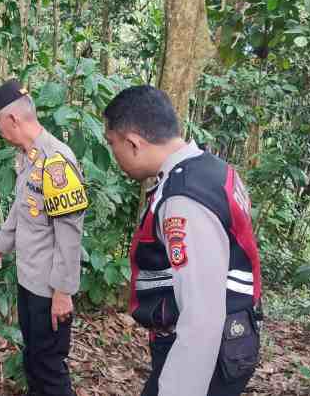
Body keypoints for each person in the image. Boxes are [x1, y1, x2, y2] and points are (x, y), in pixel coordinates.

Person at [102, 85, 262, 396]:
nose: (114, 154)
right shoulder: (211, 168)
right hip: (231, 337)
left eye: (113, 144)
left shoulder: (184, 200)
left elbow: (201, 316)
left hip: (211, 349)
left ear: (133, 142)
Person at [0, 79, 87, 396]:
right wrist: (0, 246)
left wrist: (63, 292)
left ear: (13, 120)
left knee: (49, 367)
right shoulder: (29, 156)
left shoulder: (56, 162)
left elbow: (69, 235)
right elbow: (20, 208)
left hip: (49, 289)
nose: (0, 133)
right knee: (34, 359)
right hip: (29, 281)